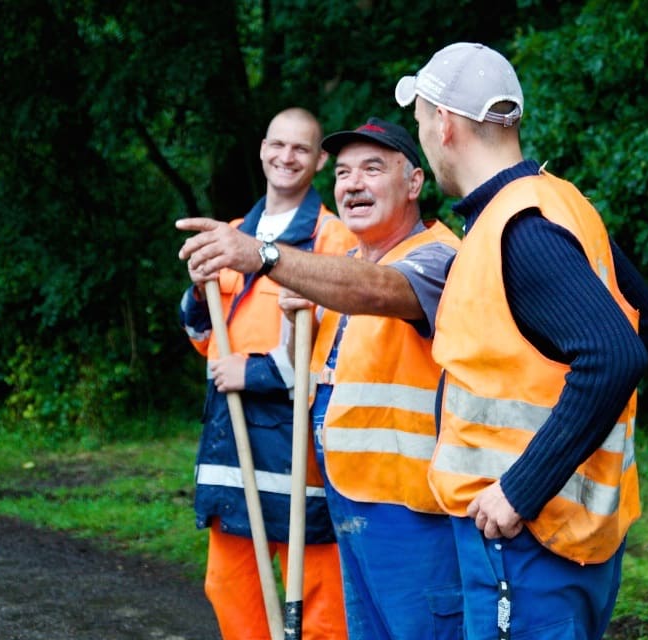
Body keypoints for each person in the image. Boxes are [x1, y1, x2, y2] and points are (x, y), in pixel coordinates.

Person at [394, 42, 648, 639]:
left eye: (420, 123)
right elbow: (646, 314)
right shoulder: (559, 202)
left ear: (444, 124)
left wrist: (520, 489)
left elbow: (617, 354)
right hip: (564, 539)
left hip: (522, 542)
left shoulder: (518, 229)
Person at [178, 117, 464, 640]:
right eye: (347, 172)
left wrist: (268, 259)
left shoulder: (437, 257)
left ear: (415, 183)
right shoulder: (338, 268)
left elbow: (381, 291)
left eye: (372, 169)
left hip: (418, 517)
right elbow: (312, 377)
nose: (353, 183)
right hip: (347, 503)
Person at [178, 106, 356, 640]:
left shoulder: (334, 240)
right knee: (231, 591)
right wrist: (195, 293)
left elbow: (334, 351)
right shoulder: (231, 234)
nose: (286, 157)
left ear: (320, 159)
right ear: (261, 149)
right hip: (232, 450)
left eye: (301, 148)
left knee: (323, 602)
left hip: (299, 454)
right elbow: (207, 341)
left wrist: (252, 374)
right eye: (278, 145)